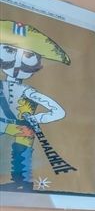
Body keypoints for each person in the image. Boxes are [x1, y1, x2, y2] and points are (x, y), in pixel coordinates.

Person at [1, 20, 70, 190]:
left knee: (24, 139)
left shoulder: (28, 92)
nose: (17, 63)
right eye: (9, 51)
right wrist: (7, 128)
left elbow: (58, 111)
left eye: (27, 56)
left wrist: (35, 119)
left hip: (21, 131)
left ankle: (21, 181)